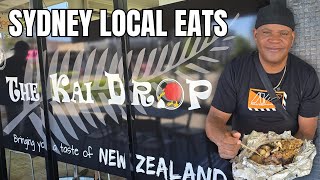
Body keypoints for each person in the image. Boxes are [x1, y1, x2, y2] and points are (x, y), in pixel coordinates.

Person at [205, 3, 320, 162]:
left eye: (283, 33)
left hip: (289, 160)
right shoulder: (236, 69)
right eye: (266, 32)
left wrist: (284, 156)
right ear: (255, 35)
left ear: (292, 38)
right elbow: (215, 118)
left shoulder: (306, 75)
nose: (275, 39)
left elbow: (307, 130)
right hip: (244, 157)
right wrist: (221, 140)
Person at [0, 41, 29, 120]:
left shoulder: (25, 63)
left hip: (21, 98)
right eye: (25, 51)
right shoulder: (8, 63)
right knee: (15, 121)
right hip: (12, 98)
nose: (26, 53)